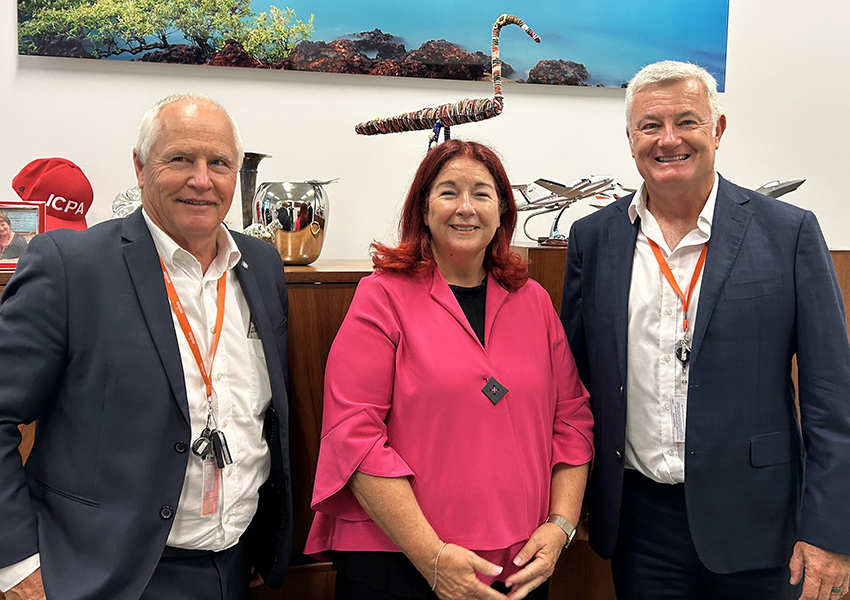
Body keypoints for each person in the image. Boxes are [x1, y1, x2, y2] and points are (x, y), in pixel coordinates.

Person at [561, 60, 850, 600]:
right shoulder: (594, 239)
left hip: (760, 524)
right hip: (639, 524)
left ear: (717, 130)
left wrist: (832, 533)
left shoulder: (789, 233)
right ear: (630, 139)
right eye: (650, 125)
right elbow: (571, 386)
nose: (668, 140)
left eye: (687, 121)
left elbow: (832, 398)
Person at [0, 94, 292, 600]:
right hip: (102, 575)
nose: (202, 179)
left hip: (235, 568)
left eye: (219, 163)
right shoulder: (72, 266)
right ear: (140, 166)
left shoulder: (262, 267)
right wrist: (18, 569)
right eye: (180, 159)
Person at [304, 139, 594, 600]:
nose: (466, 208)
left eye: (481, 193)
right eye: (448, 192)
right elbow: (352, 437)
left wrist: (560, 527)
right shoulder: (382, 297)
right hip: (399, 562)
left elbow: (573, 420)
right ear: (422, 209)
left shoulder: (534, 301)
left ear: (502, 211)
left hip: (521, 565)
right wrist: (431, 557)